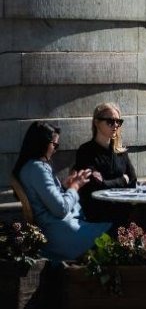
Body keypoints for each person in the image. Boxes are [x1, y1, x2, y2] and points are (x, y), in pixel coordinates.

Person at [13, 122, 111, 260]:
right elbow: (60, 209)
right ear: (42, 143)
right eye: (55, 145)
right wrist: (75, 187)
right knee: (116, 230)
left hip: (56, 230)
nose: (55, 150)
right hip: (61, 234)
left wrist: (65, 187)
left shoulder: (29, 167)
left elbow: (47, 200)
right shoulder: (37, 169)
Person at [74, 103, 137, 225]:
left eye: (118, 121)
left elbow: (133, 181)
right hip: (99, 212)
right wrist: (122, 180)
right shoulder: (86, 151)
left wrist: (106, 182)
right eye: (110, 121)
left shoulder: (120, 151)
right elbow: (95, 186)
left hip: (122, 207)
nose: (115, 125)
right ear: (97, 122)